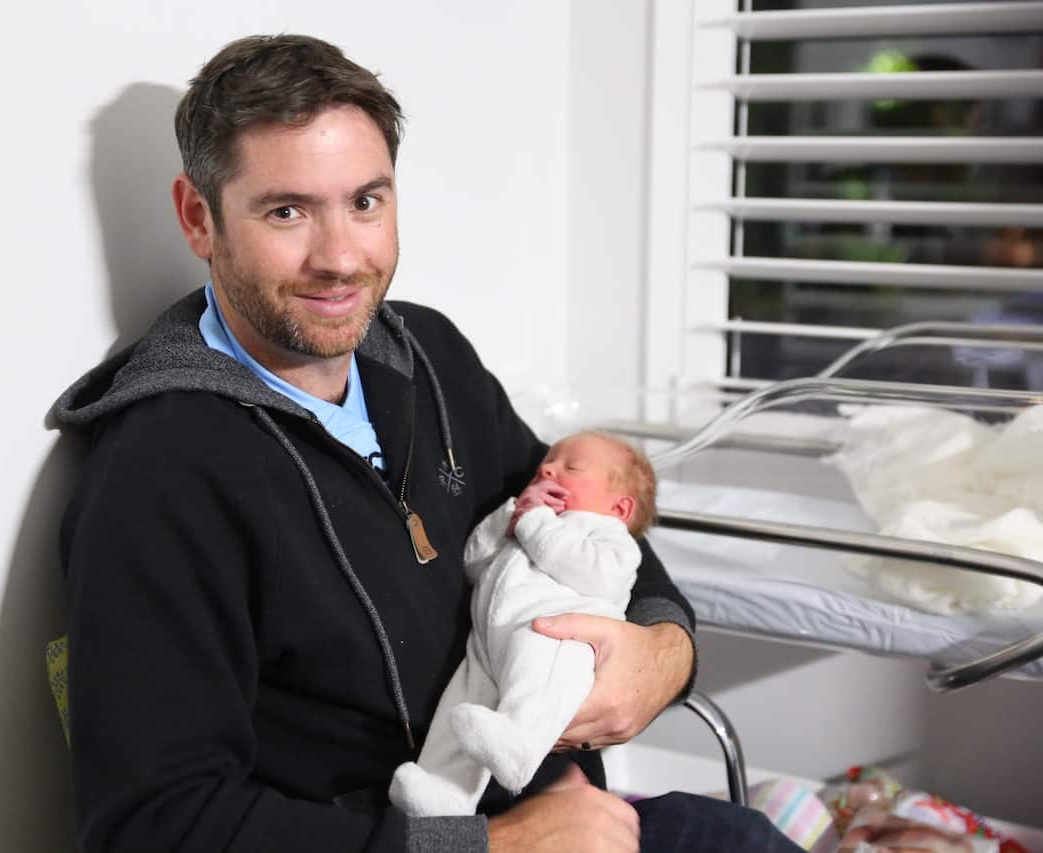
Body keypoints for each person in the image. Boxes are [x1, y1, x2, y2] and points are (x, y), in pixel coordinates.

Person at [54, 33, 799, 853]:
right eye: (287, 211)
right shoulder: (160, 473)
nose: (340, 259)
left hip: (574, 822)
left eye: (366, 202)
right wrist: (498, 846)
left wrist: (664, 645)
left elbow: (587, 509)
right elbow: (155, 826)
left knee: (744, 838)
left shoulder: (426, 357)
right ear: (200, 217)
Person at [391, 432, 657, 816]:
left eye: (571, 467)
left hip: (556, 634)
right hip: (487, 643)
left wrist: (535, 523)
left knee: (538, 684)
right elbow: (473, 563)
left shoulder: (607, 536)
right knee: (460, 711)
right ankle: (443, 794)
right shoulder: (525, 518)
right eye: (547, 463)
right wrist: (509, 517)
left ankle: (519, 748)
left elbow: (598, 576)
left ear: (620, 508)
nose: (547, 468)